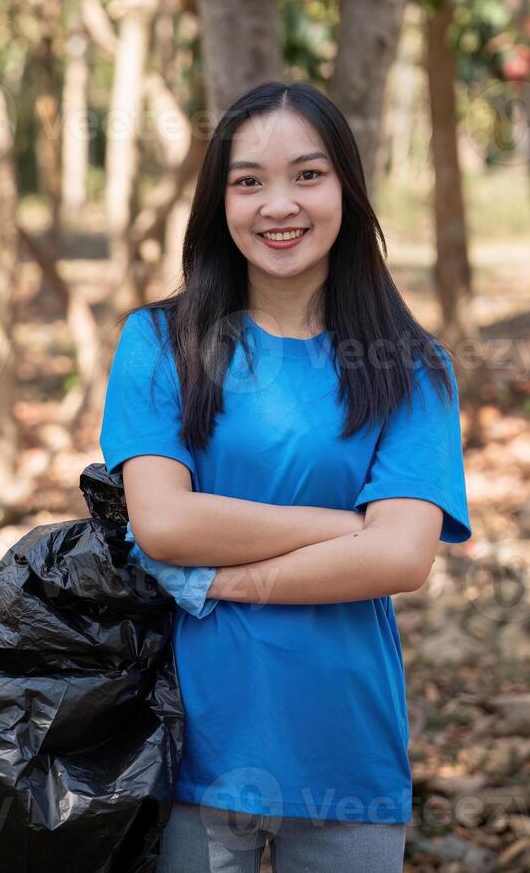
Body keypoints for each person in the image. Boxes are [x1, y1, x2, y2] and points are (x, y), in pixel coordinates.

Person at [100, 81, 471, 872]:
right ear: (219, 201)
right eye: (249, 181)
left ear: (347, 189)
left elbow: (401, 559)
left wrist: (211, 580)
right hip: (189, 746)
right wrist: (349, 529)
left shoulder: (413, 368)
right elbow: (162, 525)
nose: (280, 205)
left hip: (345, 749)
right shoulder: (160, 344)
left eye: (308, 175)